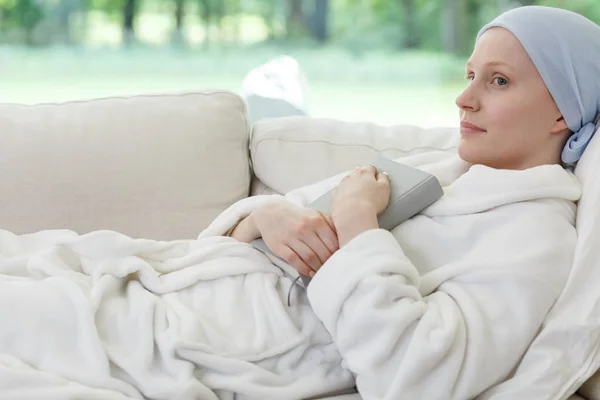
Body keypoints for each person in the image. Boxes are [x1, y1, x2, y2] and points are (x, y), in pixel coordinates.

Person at [215, 5, 599, 399]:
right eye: (470, 76)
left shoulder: (536, 239)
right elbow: (221, 243)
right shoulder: (436, 171)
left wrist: (357, 220)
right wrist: (265, 215)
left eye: (498, 80)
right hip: (206, 295)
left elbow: (420, 379)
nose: (464, 98)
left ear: (561, 113)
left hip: (226, 335)